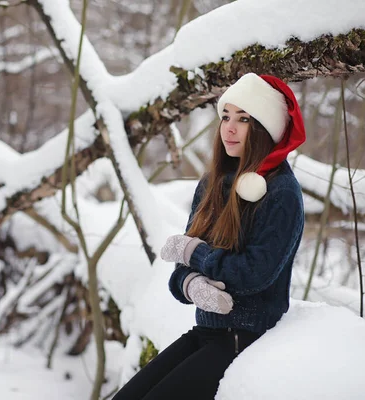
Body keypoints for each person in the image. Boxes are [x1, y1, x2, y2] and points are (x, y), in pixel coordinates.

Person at [113, 72, 306, 400]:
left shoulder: (281, 192)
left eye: (243, 119)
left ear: (264, 129)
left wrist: (195, 253)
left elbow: (253, 273)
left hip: (242, 341)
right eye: (225, 116)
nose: (229, 127)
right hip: (206, 332)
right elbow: (179, 272)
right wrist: (191, 285)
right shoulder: (211, 184)